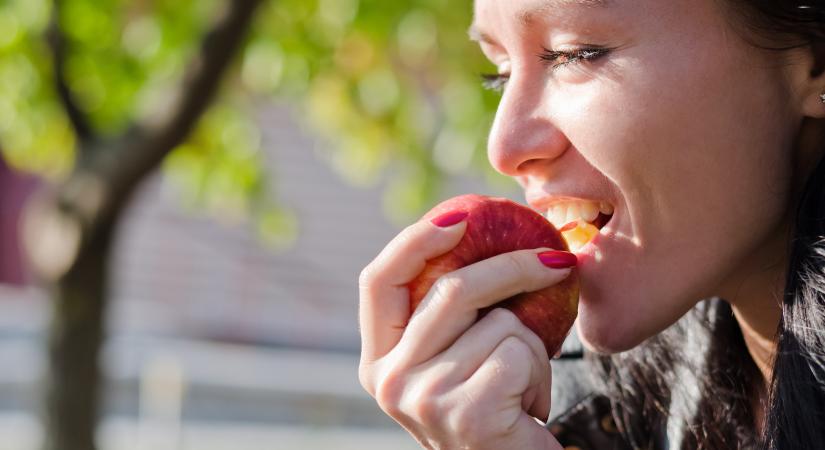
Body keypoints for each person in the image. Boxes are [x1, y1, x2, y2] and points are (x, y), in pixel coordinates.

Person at [357, 1, 825, 448]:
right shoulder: (584, 414)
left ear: (815, 56)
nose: (503, 148)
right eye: (498, 76)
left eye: (574, 53)